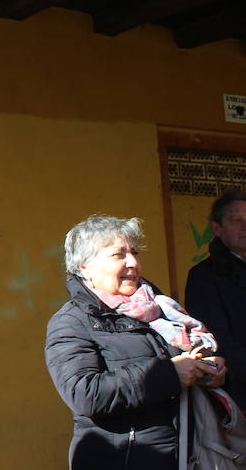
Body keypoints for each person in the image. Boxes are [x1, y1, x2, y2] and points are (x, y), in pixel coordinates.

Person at [45, 215, 228, 469]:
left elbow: (182, 366)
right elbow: (84, 394)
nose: (133, 262)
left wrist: (206, 369)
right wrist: (170, 375)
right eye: (118, 255)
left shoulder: (159, 309)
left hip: (185, 456)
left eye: (134, 252)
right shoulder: (72, 321)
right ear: (84, 266)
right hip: (123, 459)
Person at [185, 190, 246, 410]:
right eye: (236, 220)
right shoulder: (204, 276)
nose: (244, 226)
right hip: (238, 394)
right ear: (217, 229)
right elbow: (217, 341)